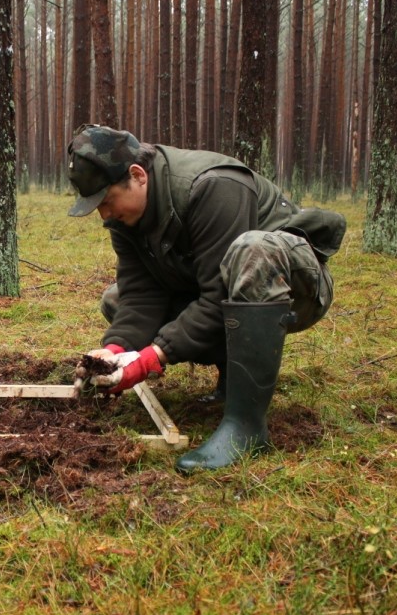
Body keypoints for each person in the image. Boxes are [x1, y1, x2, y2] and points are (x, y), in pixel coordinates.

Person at [68, 125, 345, 471]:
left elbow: (217, 296)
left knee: (252, 250)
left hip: (294, 286)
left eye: (107, 201)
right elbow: (140, 293)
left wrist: (153, 356)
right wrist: (114, 351)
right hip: (221, 288)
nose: (105, 214)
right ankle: (233, 376)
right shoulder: (127, 219)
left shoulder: (212, 186)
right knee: (115, 299)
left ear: (137, 175)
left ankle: (246, 426)